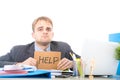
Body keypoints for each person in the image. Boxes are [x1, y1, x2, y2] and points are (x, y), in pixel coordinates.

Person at [0, 16, 80, 70]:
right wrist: (20, 64)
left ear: (52, 34)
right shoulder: (18, 51)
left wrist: (73, 64)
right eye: (40, 29)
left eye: (48, 29)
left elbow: (86, 63)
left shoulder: (63, 48)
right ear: (33, 35)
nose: (45, 32)